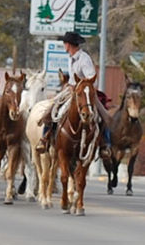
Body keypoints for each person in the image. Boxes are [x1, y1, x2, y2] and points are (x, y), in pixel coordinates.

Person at [35, 31, 112, 159]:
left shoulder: (84, 59)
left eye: (65, 43)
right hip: (72, 90)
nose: (64, 45)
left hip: (85, 92)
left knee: (102, 115)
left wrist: (79, 87)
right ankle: (45, 137)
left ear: (69, 44)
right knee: (53, 109)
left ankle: (105, 144)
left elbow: (93, 79)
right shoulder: (71, 58)